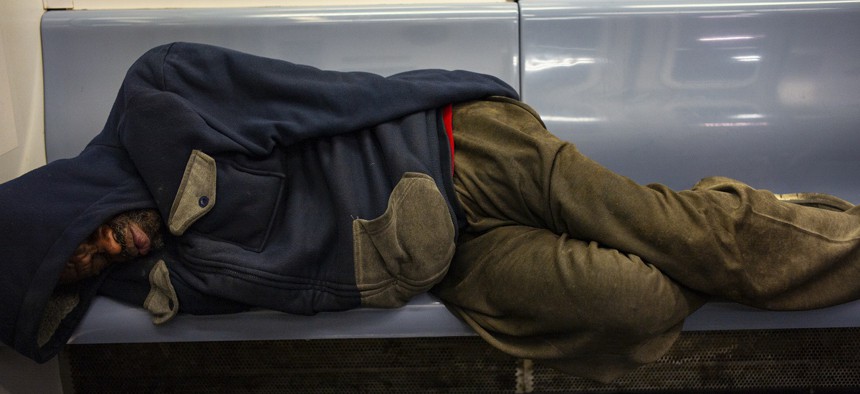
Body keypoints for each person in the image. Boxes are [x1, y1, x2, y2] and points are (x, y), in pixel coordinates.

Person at [2, 42, 859, 383]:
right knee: (638, 310)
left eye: (86, 236)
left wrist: (457, 101)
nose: (107, 248)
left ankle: (786, 236)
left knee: (695, 243)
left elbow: (319, 100)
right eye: (88, 267)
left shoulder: (157, 98)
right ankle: (760, 217)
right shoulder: (149, 275)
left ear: (63, 201)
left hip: (456, 152)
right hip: (445, 265)